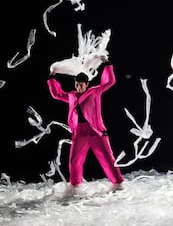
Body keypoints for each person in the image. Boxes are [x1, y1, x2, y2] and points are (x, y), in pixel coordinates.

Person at [47, 56, 124, 192]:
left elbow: (109, 81)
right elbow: (57, 94)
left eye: (81, 84)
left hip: (96, 131)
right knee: (74, 162)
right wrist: (52, 77)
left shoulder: (94, 92)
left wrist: (107, 64)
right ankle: (75, 187)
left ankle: (118, 184)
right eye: (77, 84)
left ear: (87, 84)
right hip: (80, 133)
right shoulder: (71, 95)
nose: (79, 86)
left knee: (107, 160)